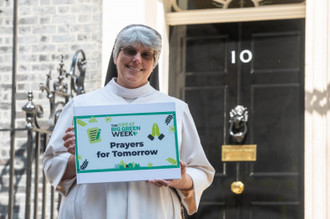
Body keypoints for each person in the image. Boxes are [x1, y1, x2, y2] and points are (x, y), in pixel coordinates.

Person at [43, 24, 215, 219]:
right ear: (115, 57)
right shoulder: (81, 105)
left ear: (154, 63)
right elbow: (51, 166)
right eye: (130, 51)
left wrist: (180, 180)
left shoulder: (175, 109)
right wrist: (81, 157)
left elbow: (201, 171)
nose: (137, 59)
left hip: (155, 210)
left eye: (146, 55)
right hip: (92, 209)